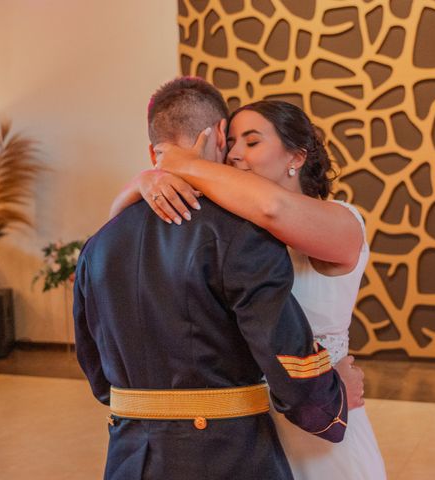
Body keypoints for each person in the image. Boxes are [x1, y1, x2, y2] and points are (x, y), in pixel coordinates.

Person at [74, 77, 361, 480]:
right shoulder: (240, 234)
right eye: (235, 142)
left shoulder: (99, 244)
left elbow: (95, 366)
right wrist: (330, 403)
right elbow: (281, 350)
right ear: (219, 136)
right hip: (228, 453)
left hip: (130, 453)